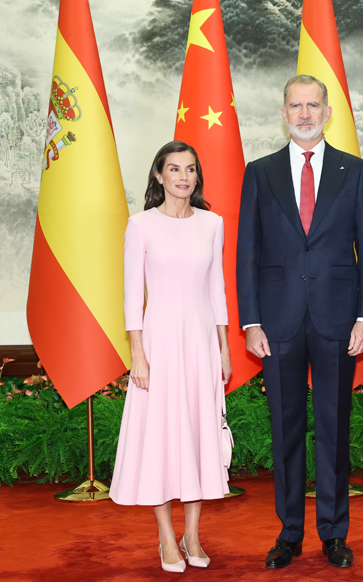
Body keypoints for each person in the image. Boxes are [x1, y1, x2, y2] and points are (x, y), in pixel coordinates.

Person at [236, 74, 363, 569]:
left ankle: (335, 533)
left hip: (339, 319)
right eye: (296, 106)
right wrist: (251, 321)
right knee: (286, 430)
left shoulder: (354, 171)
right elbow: (248, 253)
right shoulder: (260, 172)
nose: (304, 114)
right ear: (284, 113)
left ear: (327, 112)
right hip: (276, 322)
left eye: (312, 105)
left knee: (334, 430)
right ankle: (289, 533)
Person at [110, 141, 232, 573]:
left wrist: (223, 347)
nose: (183, 177)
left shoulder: (212, 223)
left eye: (191, 169)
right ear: (159, 176)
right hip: (158, 343)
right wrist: (138, 354)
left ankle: (192, 535)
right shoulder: (141, 225)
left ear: (198, 176)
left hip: (200, 342)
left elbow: (217, 290)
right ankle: (166, 537)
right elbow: (131, 297)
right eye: (174, 169)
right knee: (160, 438)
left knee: (198, 435)